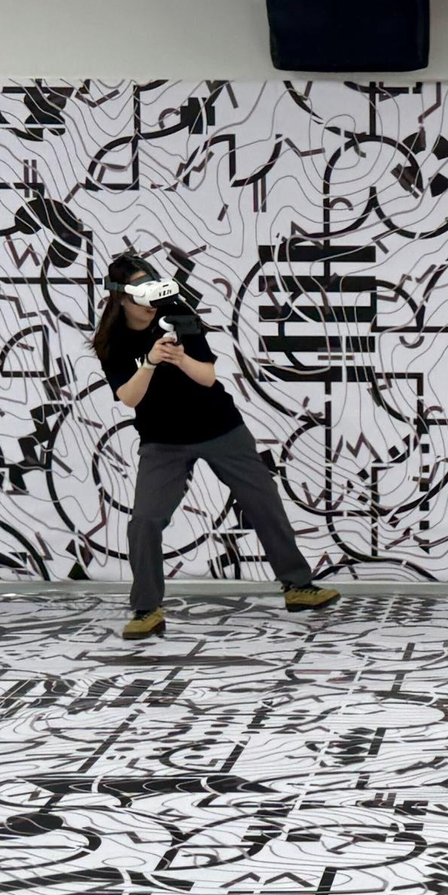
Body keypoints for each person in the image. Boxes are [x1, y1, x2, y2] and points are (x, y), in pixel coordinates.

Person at [92, 254, 339, 639]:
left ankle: (298, 587)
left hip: (219, 427)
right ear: (122, 298)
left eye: (154, 289)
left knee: (263, 502)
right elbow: (128, 397)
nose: (151, 302)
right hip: (163, 441)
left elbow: (207, 377)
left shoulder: (176, 312)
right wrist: (151, 362)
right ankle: (146, 609)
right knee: (145, 521)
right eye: (141, 294)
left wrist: (180, 358)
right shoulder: (113, 340)